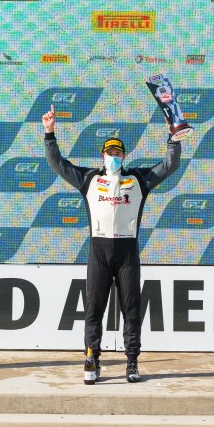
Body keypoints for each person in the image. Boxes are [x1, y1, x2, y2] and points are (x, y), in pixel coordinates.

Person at [42, 103, 181, 383]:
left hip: (127, 251)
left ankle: (132, 362)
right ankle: (92, 358)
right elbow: (58, 164)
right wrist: (49, 134)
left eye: (118, 153)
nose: (114, 157)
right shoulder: (90, 179)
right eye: (110, 153)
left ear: (124, 156)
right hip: (99, 251)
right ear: (102, 156)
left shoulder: (138, 179)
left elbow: (169, 166)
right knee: (94, 307)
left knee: (131, 307)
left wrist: (173, 139)